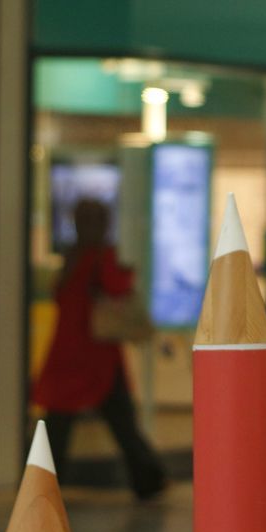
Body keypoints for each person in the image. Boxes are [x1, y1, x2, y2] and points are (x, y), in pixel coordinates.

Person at [33, 199, 166, 500]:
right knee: (120, 421)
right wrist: (128, 274)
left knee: (59, 425)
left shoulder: (72, 256)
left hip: (69, 350)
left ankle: (44, 484)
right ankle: (147, 479)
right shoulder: (101, 256)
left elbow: (61, 295)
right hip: (95, 355)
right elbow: (117, 288)